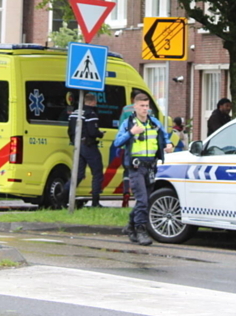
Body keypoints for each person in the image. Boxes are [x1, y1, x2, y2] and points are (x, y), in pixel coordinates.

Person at [113, 91, 172, 245]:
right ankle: (141, 230)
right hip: (136, 167)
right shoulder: (129, 124)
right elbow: (117, 142)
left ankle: (131, 226)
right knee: (142, 200)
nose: (145, 109)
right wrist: (131, 133)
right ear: (135, 107)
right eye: (142, 106)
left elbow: (165, 137)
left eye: (146, 106)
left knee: (145, 200)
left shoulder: (154, 123)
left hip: (151, 167)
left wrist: (168, 144)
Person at [68, 92, 105, 207]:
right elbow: (92, 132)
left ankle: (62, 196)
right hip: (89, 146)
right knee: (97, 172)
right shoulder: (91, 113)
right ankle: (95, 202)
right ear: (93, 102)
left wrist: (74, 141)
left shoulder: (75, 113)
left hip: (78, 146)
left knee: (78, 174)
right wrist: (100, 134)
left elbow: (70, 130)